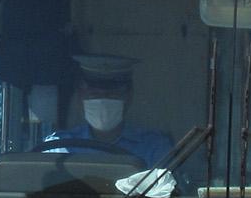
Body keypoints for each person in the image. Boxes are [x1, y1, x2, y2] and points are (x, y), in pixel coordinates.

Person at [40, 54, 175, 165]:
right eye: (94, 95)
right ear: (80, 97)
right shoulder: (57, 147)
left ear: (129, 97)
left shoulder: (154, 147)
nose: (102, 102)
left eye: (112, 95)